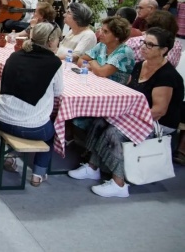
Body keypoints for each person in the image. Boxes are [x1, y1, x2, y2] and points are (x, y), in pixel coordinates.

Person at [69, 27, 183, 198]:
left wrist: (125, 119)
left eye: (150, 45)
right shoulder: (139, 66)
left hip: (159, 122)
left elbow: (159, 111)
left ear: (164, 50)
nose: (144, 47)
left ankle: (119, 183)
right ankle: (93, 167)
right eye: (144, 43)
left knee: (114, 132)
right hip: (137, 114)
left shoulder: (167, 75)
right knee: (100, 121)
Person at [0, 22, 63, 187]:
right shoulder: (54, 63)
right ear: (51, 41)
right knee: (52, 131)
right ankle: (38, 173)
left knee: (21, 115)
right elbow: (59, 92)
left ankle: (11, 157)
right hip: (32, 128)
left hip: (1, 119)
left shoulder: (15, 56)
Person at [77, 16, 135, 84]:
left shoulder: (124, 51)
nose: (100, 33)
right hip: (98, 83)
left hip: (115, 90)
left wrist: (93, 62)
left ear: (117, 36)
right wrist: (94, 68)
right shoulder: (102, 45)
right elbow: (80, 60)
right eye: (101, 29)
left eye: (105, 32)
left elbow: (102, 72)